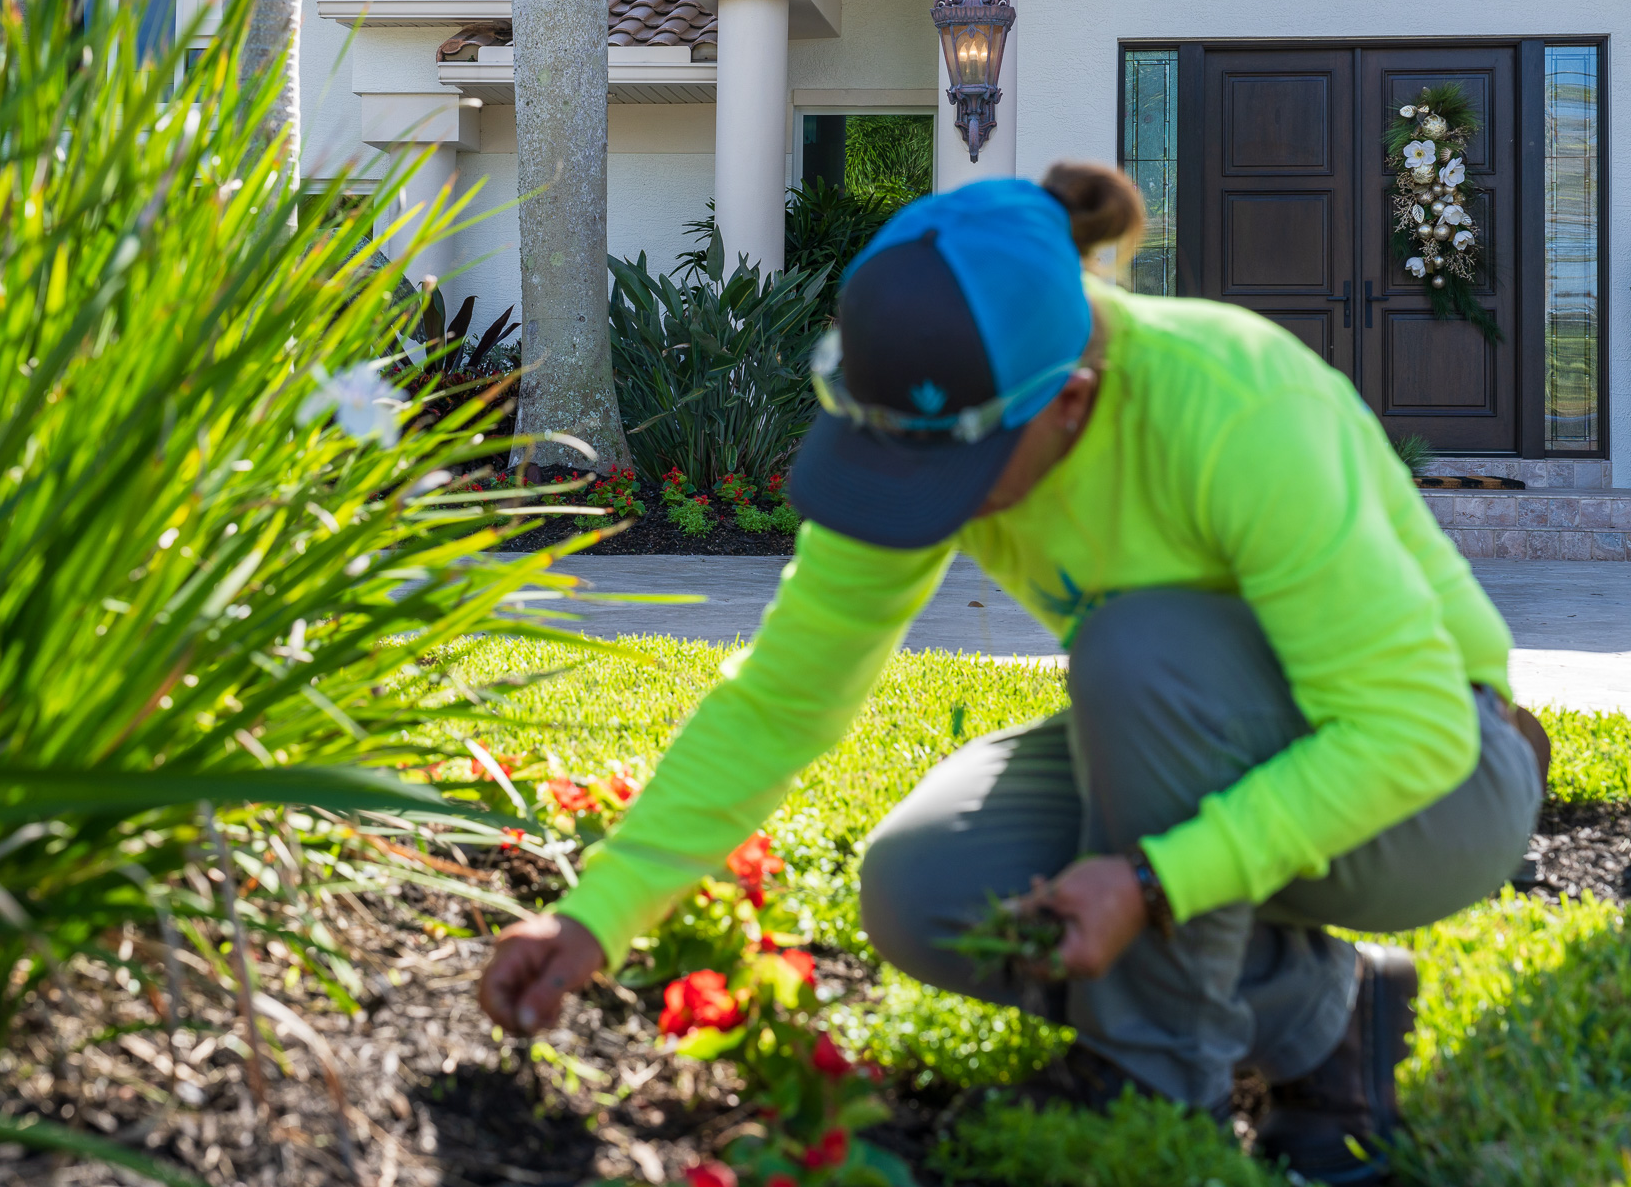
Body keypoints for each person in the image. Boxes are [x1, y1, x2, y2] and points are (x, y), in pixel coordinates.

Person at [477, 166, 1545, 1185]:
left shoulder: (1233, 404)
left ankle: (1148, 1088)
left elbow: (1412, 730)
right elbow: (782, 699)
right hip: (1207, 740)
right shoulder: (924, 421)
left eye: (961, 471)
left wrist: (1150, 881)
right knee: (925, 885)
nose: (931, 497)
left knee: (1141, 645)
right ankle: (1329, 1016)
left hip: (1438, 786)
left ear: (1073, 400)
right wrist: (593, 917)